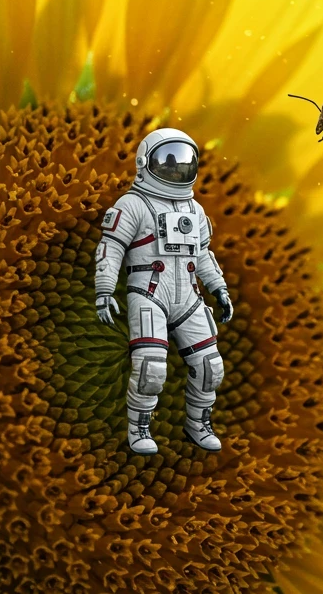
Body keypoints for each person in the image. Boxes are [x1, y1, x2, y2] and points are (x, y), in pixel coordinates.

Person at [94, 128, 234, 455]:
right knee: (151, 367)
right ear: (145, 162)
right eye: (168, 162)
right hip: (148, 292)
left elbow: (202, 255)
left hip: (188, 295)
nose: (175, 170)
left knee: (211, 366)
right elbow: (110, 248)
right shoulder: (132, 204)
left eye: (182, 163)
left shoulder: (195, 210)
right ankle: (139, 428)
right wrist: (104, 290)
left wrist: (219, 288)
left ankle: (198, 424)